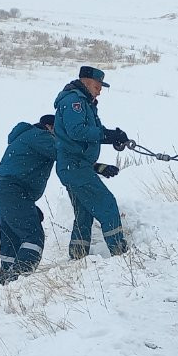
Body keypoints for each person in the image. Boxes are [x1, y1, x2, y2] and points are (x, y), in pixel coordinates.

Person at [54, 65, 132, 259]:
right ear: (86, 82)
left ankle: (78, 258)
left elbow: (90, 131)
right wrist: (106, 135)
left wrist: (113, 136)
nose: (100, 92)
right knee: (107, 205)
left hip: (75, 166)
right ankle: (121, 255)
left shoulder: (85, 103)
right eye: (98, 87)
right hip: (76, 166)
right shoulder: (74, 101)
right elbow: (77, 131)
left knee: (84, 214)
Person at [0, 114, 57, 284]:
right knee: (33, 237)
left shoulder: (24, 137)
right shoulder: (41, 136)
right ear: (50, 127)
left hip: (3, 190)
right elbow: (63, 153)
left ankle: (5, 285)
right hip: (15, 191)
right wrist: (94, 166)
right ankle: (19, 280)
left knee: (11, 241)